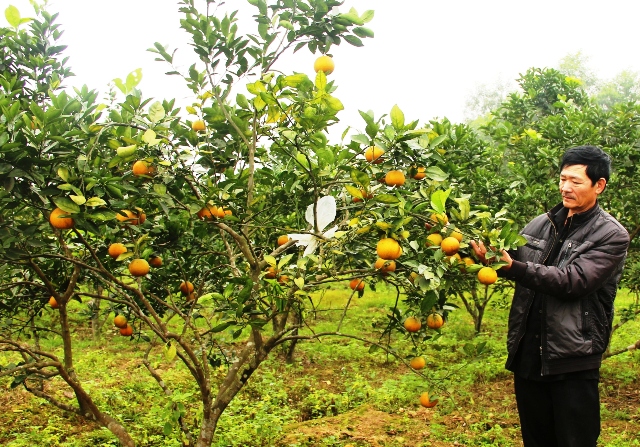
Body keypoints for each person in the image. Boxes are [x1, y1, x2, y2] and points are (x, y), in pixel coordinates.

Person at [471, 145, 630, 447]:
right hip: (529, 356)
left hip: (572, 359)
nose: (566, 188)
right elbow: (507, 258)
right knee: (536, 439)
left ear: (599, 185)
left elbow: (574, 281)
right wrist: (470, 243)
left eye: (576, 181)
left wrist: (513, 266)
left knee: (574, 441)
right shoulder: (540, 224)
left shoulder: (611, 234)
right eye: (562, 179)